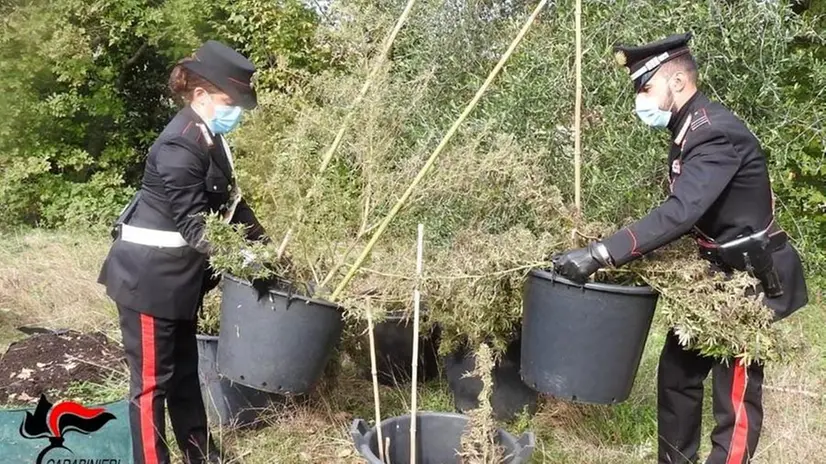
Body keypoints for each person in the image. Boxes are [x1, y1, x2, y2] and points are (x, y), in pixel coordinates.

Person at [552, 32, 809, 464]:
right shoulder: (687, 130)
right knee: (676, 378)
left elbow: (681, 213)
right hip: (714, 277)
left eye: (645, 88)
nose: (639, 100)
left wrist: (600, 254)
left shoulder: (715, 132)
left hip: (751, 281)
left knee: (735, 394)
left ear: (677, 82)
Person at [98, 40, 268, 464]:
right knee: (152, 384)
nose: (237, 113)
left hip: (180, 282)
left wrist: (265, 248)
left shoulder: (211, 138)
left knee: (186, 378)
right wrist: (241, 260)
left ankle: (201, 455)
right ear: (200, 96)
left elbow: (231, 205)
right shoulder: (177, 146)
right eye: (231, 102)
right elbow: (196, 226)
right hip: (150, 281)